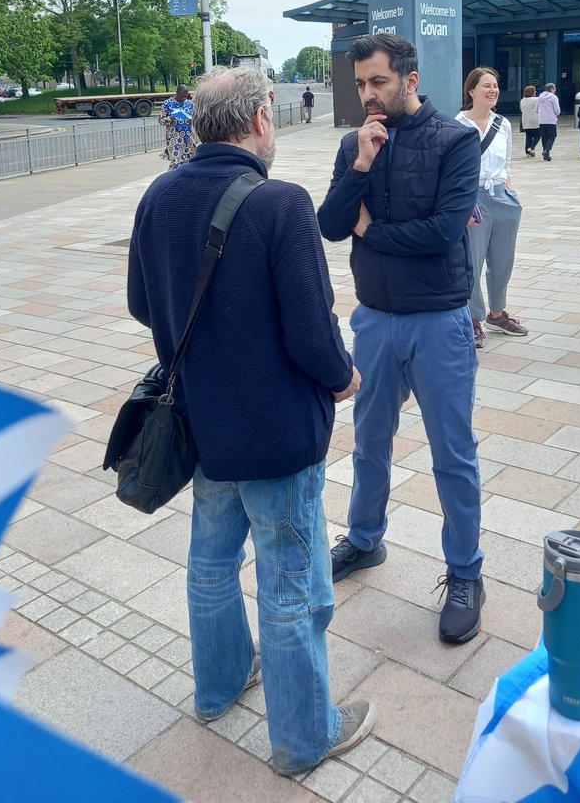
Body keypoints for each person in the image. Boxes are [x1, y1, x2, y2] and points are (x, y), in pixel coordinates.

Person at [128, 65, 375, 776]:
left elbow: (145, 304)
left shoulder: (158, 194)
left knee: (210, 565)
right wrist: (343, 374)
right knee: (291, 585)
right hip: (273, 434)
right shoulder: (280, 204)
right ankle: (305, 738)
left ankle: (218, 687)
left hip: (201, 425)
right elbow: (310, 327)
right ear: (261, 120)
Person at [317, 34, 485, 644]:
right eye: (361, 84)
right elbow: (331, 226)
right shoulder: (354, 143)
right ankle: (365, 540)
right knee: (368, 442)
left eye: (378, 82)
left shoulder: (455, 141)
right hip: (375, 319)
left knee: (452, 453)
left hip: (439, 320)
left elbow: (444, 233)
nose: (368, 95)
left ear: (410, 79)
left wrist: (374, 230)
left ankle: (466, 571)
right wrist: (360, 164)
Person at [456, 68, 527, 351]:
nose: (493, 90)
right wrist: (464, 200)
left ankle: (497, 313)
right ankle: (473, 318)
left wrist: (508, 189)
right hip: (472, 197)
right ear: (471, 91)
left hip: (502, 196)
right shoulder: (457, 125)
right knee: (472, 261)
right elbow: (453, 171)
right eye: (486, 86)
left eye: (495, 86)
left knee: (503, 260)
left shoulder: (504, 124)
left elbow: (507, 162)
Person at [159, 84, 197, 169]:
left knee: (190, 162)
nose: (184, 98)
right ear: (177, 93)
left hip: (188, 138)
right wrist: (169, 119)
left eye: (186, 96)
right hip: (174, 139)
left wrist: (193, 120)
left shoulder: (189, 104)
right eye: (182, 96)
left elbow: (196, 118)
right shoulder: (167, 104)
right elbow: (161, 121)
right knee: (175, 163)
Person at [535, 83, 560, 161]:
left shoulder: (540, 97)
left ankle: (546, 153)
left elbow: (536, 109)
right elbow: (557, 109)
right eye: (554, 88)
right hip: (551, 120)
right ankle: (547, 150)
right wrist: (556, 114)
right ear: (552, 89)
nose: (555, 90)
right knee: (552, 136)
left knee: (544, 137)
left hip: (542, 120)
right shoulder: (553, 97)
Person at [519, 85, 540, 157]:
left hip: (525, 120)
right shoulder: (536, 99)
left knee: (528, 136)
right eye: (534, 91)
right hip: (535, 120)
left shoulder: (522, 100)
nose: (535, 92)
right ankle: (531, 148)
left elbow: (521, 109)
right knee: (537, 136)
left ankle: (527, 151)